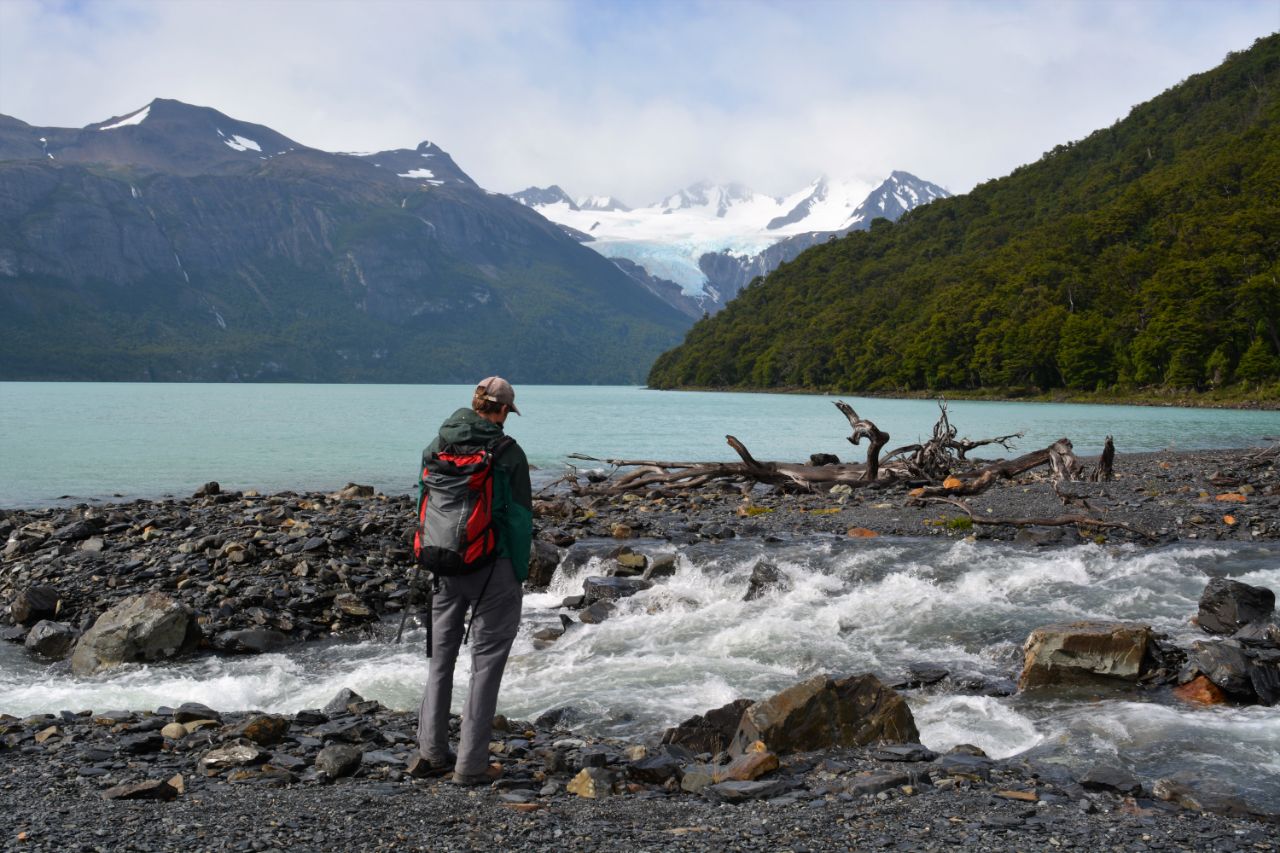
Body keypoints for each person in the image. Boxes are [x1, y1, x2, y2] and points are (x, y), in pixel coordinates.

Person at [413, 376, 532, 786]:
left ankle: (430, 752)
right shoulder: (507, 452)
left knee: (440, 660)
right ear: (501, 411)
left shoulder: (436, 445)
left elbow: (423, 504)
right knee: (485, 665)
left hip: (443, 562)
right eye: (506, 413)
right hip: (492, 567)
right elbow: (518, 519)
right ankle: (471, 765)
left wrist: (433, 554)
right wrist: (518, 571)